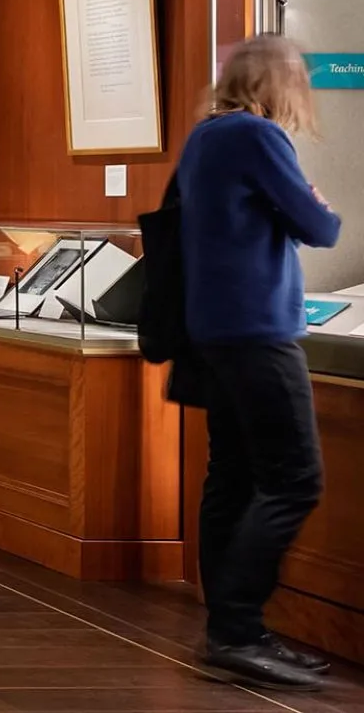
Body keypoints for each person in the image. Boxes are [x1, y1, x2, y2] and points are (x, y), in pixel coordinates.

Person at [177, 34, 342, 689]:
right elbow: (320, 227)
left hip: (213, 331)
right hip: (258, 329)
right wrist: (315, 202)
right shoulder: (256, 136)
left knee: (234, 477)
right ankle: (237, 630)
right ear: (279, 83)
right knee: (295, 478)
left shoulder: (206, 136)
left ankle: (229, 628)